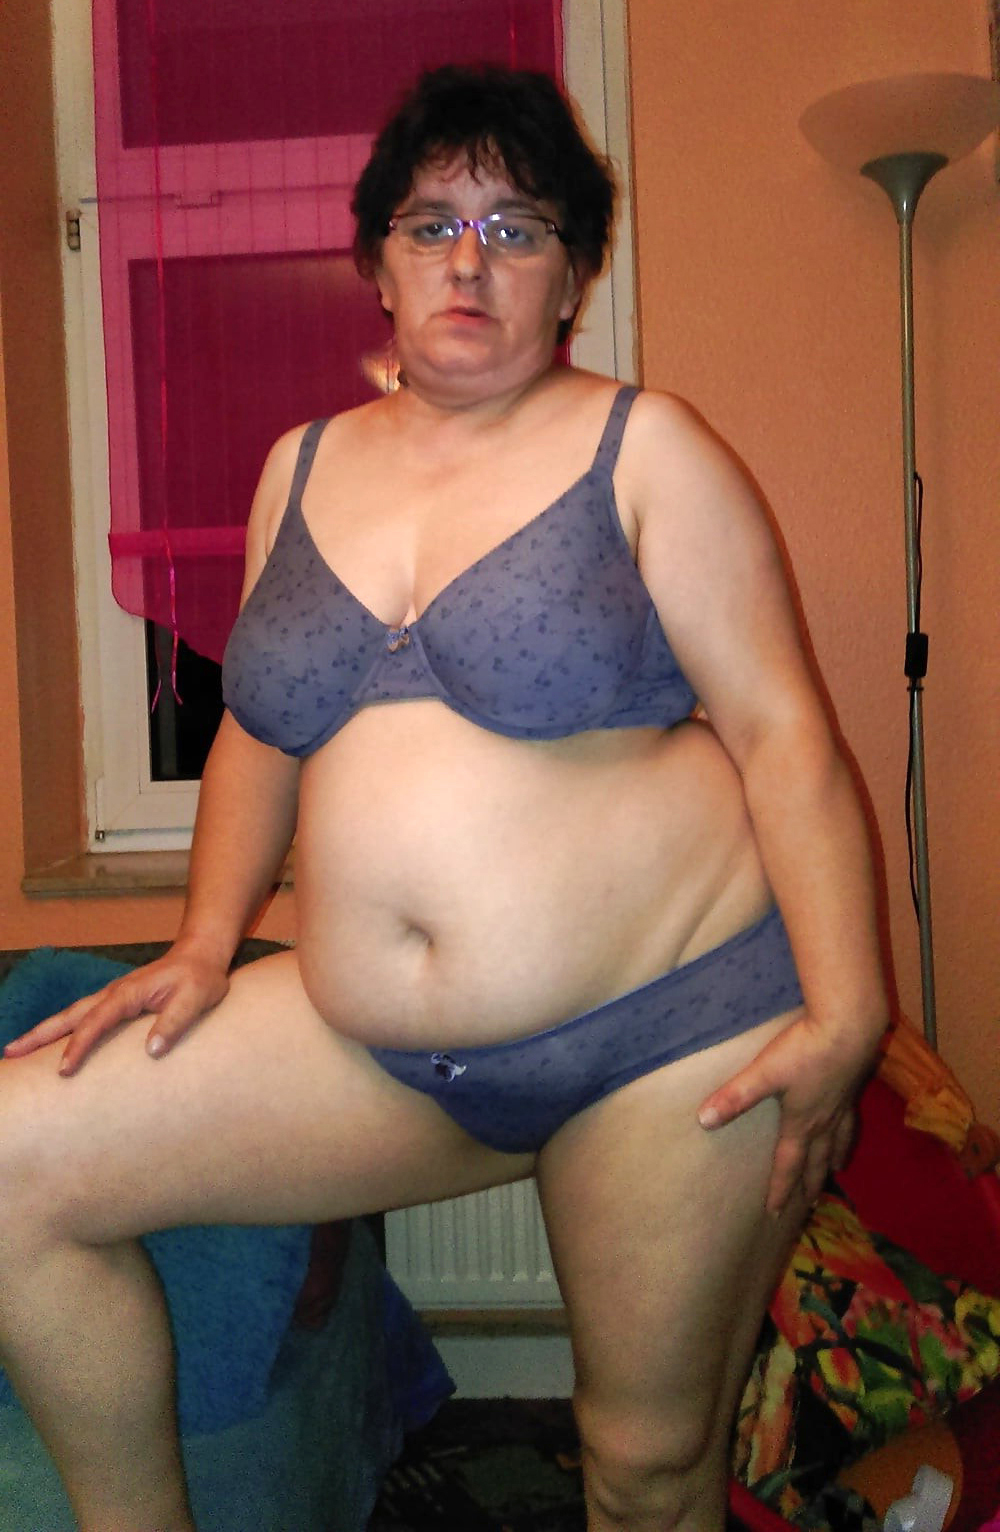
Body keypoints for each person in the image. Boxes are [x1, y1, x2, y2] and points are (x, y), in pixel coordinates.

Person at [1, 63, 887, 1532]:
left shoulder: (647, 447)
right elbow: (258, 736)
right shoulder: (298, 468)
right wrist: (206, 940)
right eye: (432, 225)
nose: (468, 263)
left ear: (574, 276)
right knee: (14, 1166)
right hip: (374, 1044)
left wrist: (849, 1010)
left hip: (667, 1025)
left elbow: (784, 732)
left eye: (516, 228)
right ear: (378, 263)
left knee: (644, 1466)